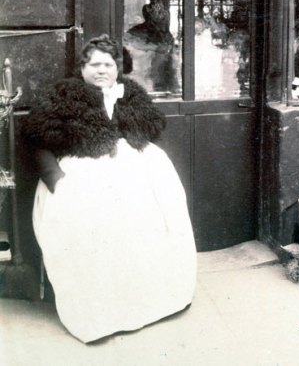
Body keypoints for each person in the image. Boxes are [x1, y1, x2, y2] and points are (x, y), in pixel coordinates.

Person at [23, 34, 197, 343]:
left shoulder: (131, 95)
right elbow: (36, 139)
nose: (101, 70)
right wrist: (56, 179)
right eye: (94, 65)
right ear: (82, 68)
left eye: (108, 64)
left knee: (150, 223)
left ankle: (150, 300)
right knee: (93, 230)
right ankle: (101, 313)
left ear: (118, 68)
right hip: (81, 173)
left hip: (135, 172)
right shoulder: (63, 96)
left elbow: (150, 131)